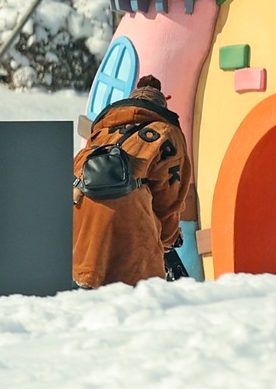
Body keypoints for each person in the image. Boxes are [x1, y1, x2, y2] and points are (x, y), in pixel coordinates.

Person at [72, 74, 190, 288]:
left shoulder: (102, 130)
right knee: (139, 289)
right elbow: (169, 199)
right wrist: (169, 238)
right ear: (161, 107)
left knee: (89, 284)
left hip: (83, 217)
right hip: (130, 217)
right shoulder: (166, 133)